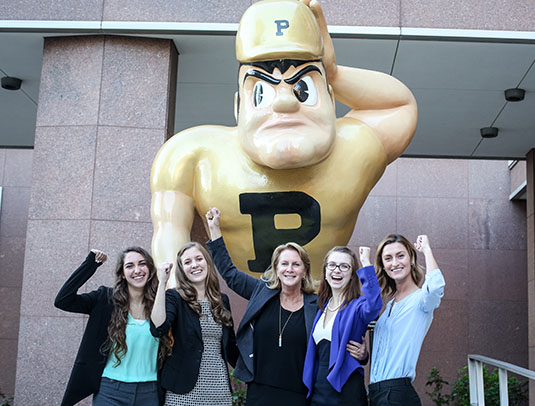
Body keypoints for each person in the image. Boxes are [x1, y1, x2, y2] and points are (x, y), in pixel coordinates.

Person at [150, 0, 418, 283]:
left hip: (321, 301)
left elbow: (399, 107)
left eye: (303, 89)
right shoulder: (191, 156)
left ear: (329, 96)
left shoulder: (353, 147)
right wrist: (175, 303)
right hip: (255, 297)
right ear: (238, 106)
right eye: (262, 92)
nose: (285, 102)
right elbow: (170, 238)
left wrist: (335, 73)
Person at [205, 207, 318, 406]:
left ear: (304, 271)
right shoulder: (261, 292)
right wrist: (214, 230)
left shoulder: (317, 305)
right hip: (260, 391)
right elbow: (230, 273)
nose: (289, 269)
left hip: (298, 396)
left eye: (296, 264)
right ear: (276, 268)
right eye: (284, 264)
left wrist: (361, 352)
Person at [54, 247, 169, 406]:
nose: (137, 270)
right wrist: (90, 264)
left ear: (150, 270)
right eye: (129, 266)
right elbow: (63, 300)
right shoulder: (105, 299)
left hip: (149, 394)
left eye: (142, 264)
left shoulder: (162, 304)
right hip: (110, 393)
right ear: (122, 273)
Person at [150, 242, 238, 406]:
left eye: (199, 259)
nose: (195, 265)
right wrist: (162, 283)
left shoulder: (222, 300)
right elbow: (158, 328)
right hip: (183, 391)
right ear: (182, 269)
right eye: (188, 262)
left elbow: (231, 346)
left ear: (207, 262)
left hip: (218, 392)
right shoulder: (175, 297)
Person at [367, 234, 445, 406]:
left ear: (411, 258)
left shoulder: (422, 300)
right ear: (384, 266)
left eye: (400, 255)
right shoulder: (388, 306)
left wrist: (426, 249)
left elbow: (435, 288)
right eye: (388, 258)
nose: (395, 262)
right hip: (376, 394)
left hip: (397, 396)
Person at [303, 246, 382, 406]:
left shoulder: (358, 306)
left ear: (352, 273)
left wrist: (366, 263)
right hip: (319, 393)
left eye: (344, 266)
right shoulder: (320, 307)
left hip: (346, 392)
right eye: (332, 265)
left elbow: (375, 304)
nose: (337, 270)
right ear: (325, 271)